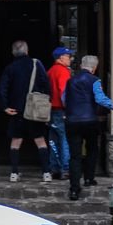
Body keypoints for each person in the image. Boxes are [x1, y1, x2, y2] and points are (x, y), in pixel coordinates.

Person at [63, 55, 113, 201]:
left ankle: (74, 189)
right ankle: (89, 178)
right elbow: (99, 98)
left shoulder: (70, 80)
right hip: (89, 121)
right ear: (94, 68)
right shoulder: (95, 81)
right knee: (92, 149)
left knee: (74, 156)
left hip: (72, 121)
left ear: (81, 65)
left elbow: (64, 99)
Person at [0, 40, 53, 183]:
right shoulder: (36, 64)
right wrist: (45, 102)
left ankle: (14, 173)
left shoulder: (10, 68)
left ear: (13, 52)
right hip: (34, 109)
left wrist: (4, 106)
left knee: (16, 141)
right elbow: (46, 84)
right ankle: (46, 172)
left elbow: (2, 88)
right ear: (27, 51)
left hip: (16, 110)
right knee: (40, 140)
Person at [47, 46, 74, 180]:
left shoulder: (51, 70)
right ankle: (65, 168)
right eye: (68, 56)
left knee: (53, 140)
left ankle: (54, 168)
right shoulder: (63, 71)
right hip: (61, 110)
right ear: (61, 57)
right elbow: (64, 92)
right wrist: (68, 108)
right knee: (64, 139)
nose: (70, 59)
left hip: (51, 110)